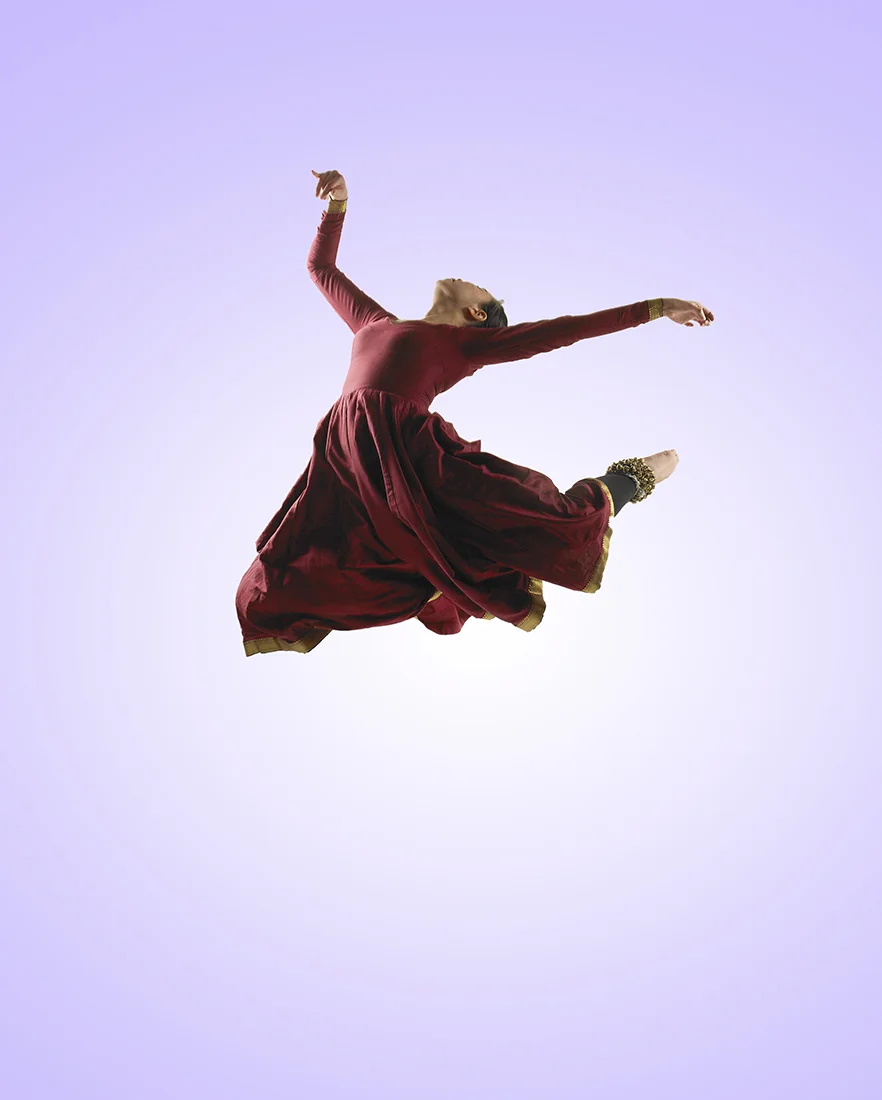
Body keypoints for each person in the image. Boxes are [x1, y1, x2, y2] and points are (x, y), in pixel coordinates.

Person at [236, 169, 714, 655]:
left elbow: (566, 330)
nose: (466, 278)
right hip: (345, 454)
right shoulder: (374, 322)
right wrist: (337, 206)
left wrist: (658, 307)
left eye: (478, 287)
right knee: (307, 552)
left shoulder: (465, 344)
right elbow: (321, 269)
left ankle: (628, 479)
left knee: (524, 510)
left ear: (477, 315)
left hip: (405, 446)